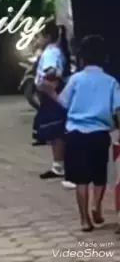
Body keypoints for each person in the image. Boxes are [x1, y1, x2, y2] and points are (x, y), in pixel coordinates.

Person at [44, 35, 120, 232]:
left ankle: (85, 220)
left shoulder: (76, 79)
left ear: (82, 58)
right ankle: (97, 206)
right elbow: (117, 108)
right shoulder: (111, 82)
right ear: (105, 58)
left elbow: (64, 102)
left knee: (81, 179)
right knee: (100, 175)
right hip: (100, 133)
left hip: (76, 133)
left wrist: (51, 92)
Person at [34, 20, 72, 185]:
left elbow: (51, 71)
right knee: (56, 130)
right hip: (52, 93)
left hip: (51, 95)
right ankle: (60, 164)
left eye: (39, 36)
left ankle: (59, 165)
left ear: (48, 37)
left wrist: (48, 86)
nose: (37, 40)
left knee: (56, 131)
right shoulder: (55, 51)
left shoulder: (50, 52)